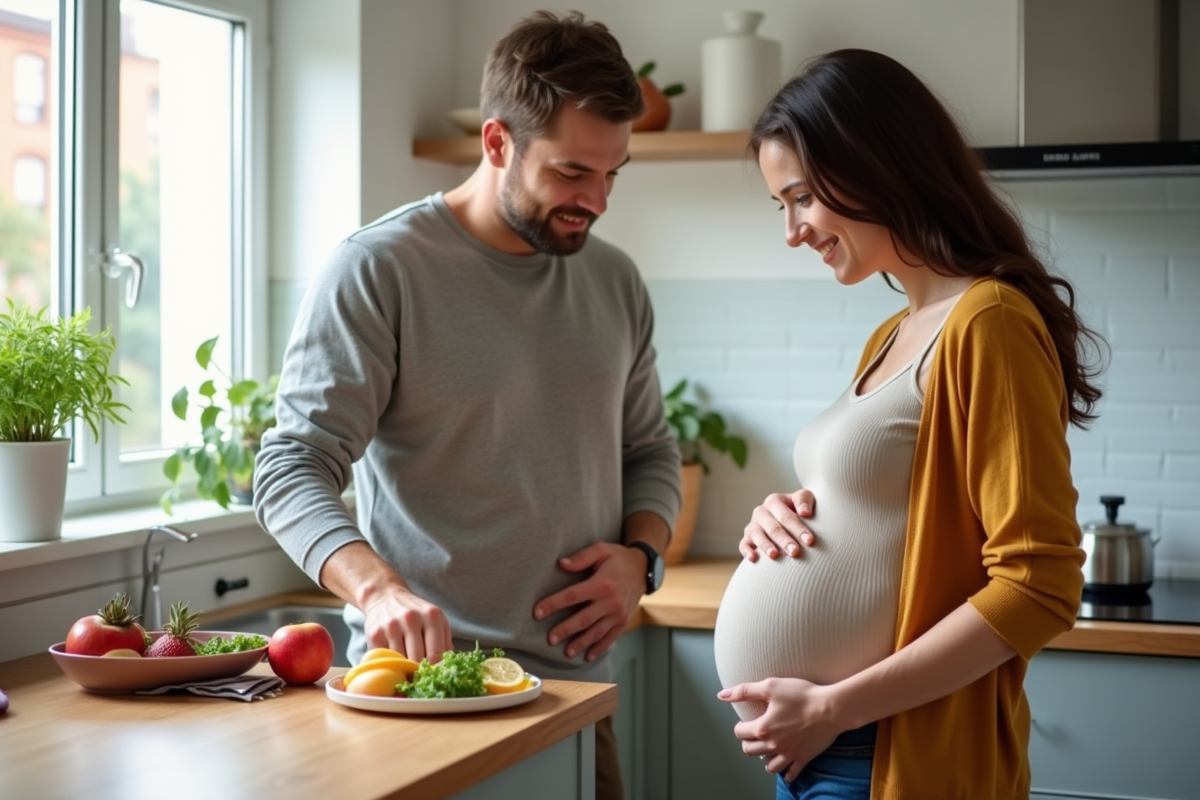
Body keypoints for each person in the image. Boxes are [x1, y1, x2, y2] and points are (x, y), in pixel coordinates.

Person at [253, 12, 681, 800]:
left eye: (613, 174)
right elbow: (290, 466)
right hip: (420, 699)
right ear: (496, 143)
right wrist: (377, 589)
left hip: (576, 699)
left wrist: (641, 558)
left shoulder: (614, 280)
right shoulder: (380, 269)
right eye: (571, 173)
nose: (597, 200)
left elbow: (649, 450)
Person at [711, 49, 1104, 800]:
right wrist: (786, 514)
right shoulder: (895, 330)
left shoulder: (986, 320)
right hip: (820, 751)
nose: (792, 231)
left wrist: (832, 706)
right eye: (780, 206)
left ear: (870, 167)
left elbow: (1040, 581)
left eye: (801, 198)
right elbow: (887, 513)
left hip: (883, 749)